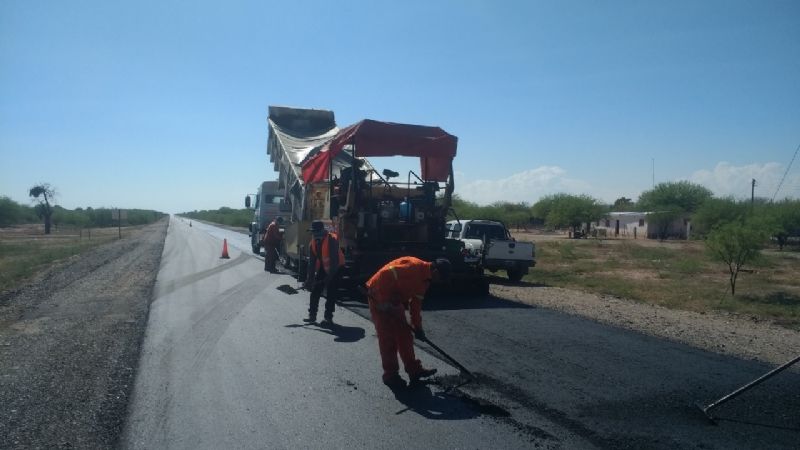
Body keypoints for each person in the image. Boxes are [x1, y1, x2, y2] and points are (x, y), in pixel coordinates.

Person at [365, 256, 451, 389]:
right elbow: (385, 274)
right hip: (378, 294)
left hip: (394, 300)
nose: (439, 282)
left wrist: (418, 328)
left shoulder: (425, 281)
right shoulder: (412, 267)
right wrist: (383, 301)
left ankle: (414, 370)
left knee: (405, 335)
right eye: (441, 278)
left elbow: (415, 305)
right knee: (388, 338)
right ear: (436, 272)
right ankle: (390, 375)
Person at [303, 220, 344, 327]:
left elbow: (334, 262)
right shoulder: (312, 244)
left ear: (322, 231)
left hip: (337, 268)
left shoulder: (331, 240)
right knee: (315, 291)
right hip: (324, 267)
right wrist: (309, 280)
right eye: (313, 232)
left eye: (316, 231)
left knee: (331, 292)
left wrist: (329, 278)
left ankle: (328, 318)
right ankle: (312, 316)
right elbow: (311, 264)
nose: (314, 234)